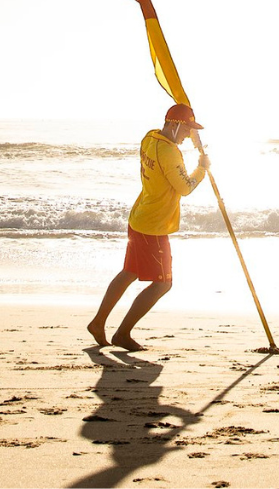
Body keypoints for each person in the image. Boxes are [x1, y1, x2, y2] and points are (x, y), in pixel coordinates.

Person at [88, 102, 210, 352]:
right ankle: (122, 333)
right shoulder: (170, 152)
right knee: (163, 283)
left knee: (129, 272)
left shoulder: (149, 138)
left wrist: (195, 141)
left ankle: (98, 323)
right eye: (187, 129)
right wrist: (202, 169)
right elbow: (185, 187)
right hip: (154, 226)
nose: (188, 135)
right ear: (175, 125)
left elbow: (168, 162)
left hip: (139, 218)